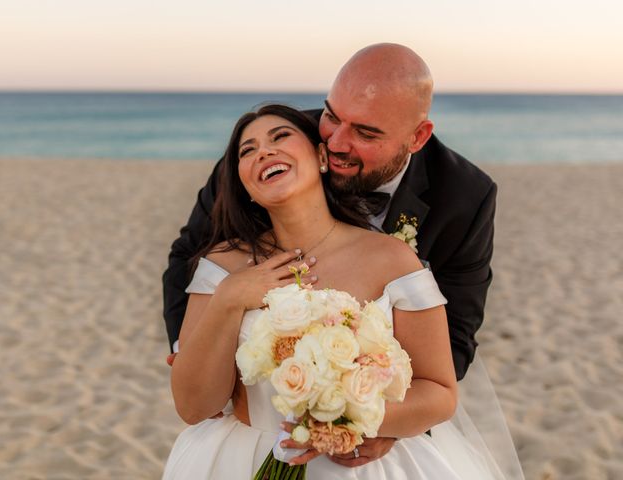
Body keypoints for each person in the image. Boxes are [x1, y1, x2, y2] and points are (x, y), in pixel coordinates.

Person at [163, 104, 498, 479]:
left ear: (323, 157)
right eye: (247, 150)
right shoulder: (221, 268)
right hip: (239, 459)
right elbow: (192, 408)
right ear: (245, 185)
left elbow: (440, 392)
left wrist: (354, 420)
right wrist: (229, 299)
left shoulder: (392, 259)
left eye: (280, 137)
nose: (264, 152)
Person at [163, 43, 496, 385]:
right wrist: (191, 352)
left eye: (365, 132)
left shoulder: (466, 196)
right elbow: (191, 255)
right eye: (332, 116)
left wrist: (372, 416)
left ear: (418, 137)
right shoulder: (270, 153)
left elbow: (455, 335)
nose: (335, 142)